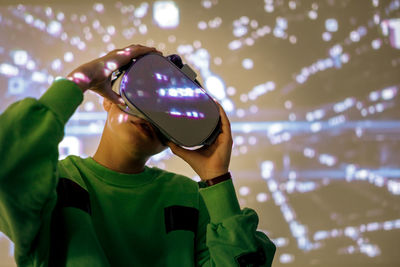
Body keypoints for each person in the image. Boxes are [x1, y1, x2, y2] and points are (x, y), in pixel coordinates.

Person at [0, 44, 276, 266]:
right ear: (107, 97)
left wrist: (215, 180)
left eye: (170, 109)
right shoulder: (55, 184)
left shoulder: (190, 199)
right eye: (141, 92)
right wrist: (84, 76)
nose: (149, 112)